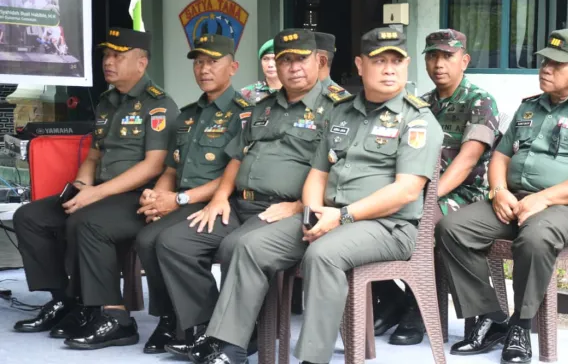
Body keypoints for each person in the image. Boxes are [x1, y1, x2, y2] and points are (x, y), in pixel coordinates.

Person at [193, 27, 443, 364]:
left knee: (323, 254)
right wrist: (312, 215)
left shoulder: (417, 119)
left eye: (396, 62)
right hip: (329, 216)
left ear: (406, 64)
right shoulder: (341, 111)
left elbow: (406, 191)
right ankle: (230, 347)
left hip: (388, 226)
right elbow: (318, 174)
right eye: (379, 61)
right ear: (360, 65)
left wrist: (341, 216)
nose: (389, 70)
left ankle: (313, 358)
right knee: (249, 245)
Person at [153, 28, 353, 361]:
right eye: (284, 60)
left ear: (318, 62)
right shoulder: (262, 107)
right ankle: (206, 329)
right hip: (241, 203)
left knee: (240, 245)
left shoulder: (338, 110)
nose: (293, 67)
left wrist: (298, 205)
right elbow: (237, 156)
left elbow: (341, 172)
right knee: (175, 242)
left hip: (290, 211)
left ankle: (232, 343)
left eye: (300, 59)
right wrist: (220, 197)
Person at [436, 28, 568, 363]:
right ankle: (492, 317)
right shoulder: (529, 108)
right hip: (514, 201)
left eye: (557, 64)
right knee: (452, 228)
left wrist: (545, 198)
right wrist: (498, 190)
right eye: (545, 61)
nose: (546, 68)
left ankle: (521, 326)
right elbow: (501, 156)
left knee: (536, 238)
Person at [12, 27, 179, 348]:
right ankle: (66, 301)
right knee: (30, 217)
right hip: (100, 192)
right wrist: (80, 187)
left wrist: (95, 195)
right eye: (106, 55)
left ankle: (116, 318)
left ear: (141, 63)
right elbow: (94, 155)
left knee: (86, 222)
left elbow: (154, 165)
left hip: (138, 198)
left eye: (118, 56)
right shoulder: (107, 102)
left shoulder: (159, 105)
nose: (108, 62)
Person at [134, 34, 249, 354]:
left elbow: (235, 175)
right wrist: (157, 197)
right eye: (199, 62)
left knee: (172, 242)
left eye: (213, 62)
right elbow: (171, 169)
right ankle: (171, 318)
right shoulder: (187, 115)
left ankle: (205, 325)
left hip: (223, 204)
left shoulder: (244, 114)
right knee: (146, 238)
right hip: (184, 201)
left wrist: (179, 200)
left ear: (233, 67)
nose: (204, 69)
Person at [387, 29, 501, 345]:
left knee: (420, 221)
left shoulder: (480, 101)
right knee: (372, 218)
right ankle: (393, 299)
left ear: (464, 61)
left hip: (466, 195)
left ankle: (417, 307)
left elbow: (467, 161)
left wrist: (425, 197)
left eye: (448, 56)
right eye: (433, 56)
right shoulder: (420, 104)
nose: (439, 64)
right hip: (419, 190)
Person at [240, 39, 282, 103]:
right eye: (266, 59)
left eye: (275, 59)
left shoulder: (295, 91)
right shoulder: (246, 93)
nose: (270, 65)